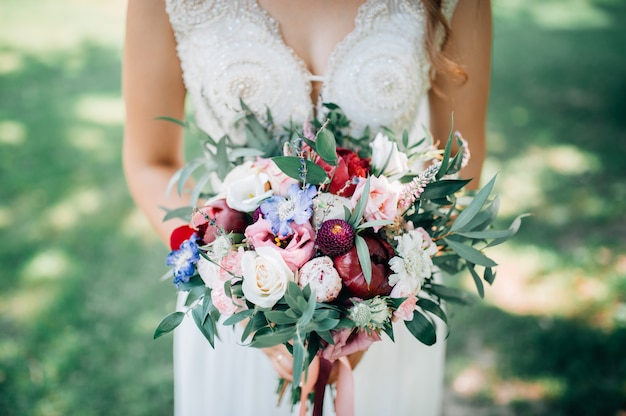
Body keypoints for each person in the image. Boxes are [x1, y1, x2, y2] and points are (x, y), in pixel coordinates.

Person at [123, 0, 491, 415]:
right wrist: (233, 282)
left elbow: (462, 162)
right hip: (237, 314)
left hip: (388, 308)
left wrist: (370, 314)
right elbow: (149, 162)